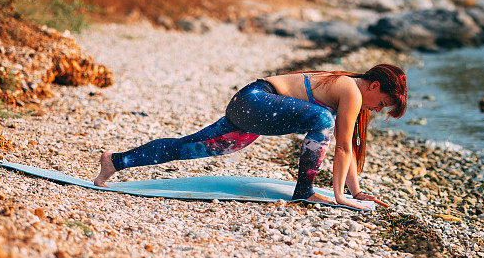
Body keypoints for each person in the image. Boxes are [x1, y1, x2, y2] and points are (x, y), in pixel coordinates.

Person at [94, 64, 407, 210]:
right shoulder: (351, 90)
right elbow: (341, 147)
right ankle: (304, 190)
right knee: (322, 118)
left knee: (191, 147)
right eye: (382, 103)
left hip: (252, 104)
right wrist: (340, 196)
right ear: (375, 86)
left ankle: (115, 161)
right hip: (258, 101)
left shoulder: (350, 88)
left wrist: (355, 191)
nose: (378, 109)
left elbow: (348, 146)